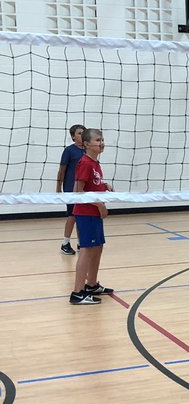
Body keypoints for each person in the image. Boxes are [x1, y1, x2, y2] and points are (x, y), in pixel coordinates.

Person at [70, 128, 114, 305]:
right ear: (87, 144)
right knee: (87, 250)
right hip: (86, 213)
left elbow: (92, 185)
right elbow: (79, 191)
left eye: (102, 139)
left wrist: (104, 187)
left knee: (98, 248)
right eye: (97, 140)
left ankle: (92, 285)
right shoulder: (85, 163)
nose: (101, 143)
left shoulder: (95, 163)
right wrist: (99, 204)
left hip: (93, 213)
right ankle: (77, 293)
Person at [55, 122, 85, 254]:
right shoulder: (69, 150)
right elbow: (62, 169)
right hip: (70, 189)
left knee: (82, 216)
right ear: (73, 137)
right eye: (79, 133)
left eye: (84, 132)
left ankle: (80, 243)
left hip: (84, 189)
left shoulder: (88, 150)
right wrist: (58, 187)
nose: (82, 135)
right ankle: (65, 243)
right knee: (72, 216)